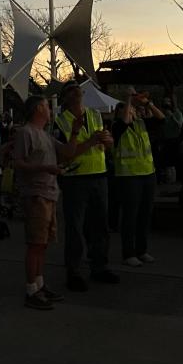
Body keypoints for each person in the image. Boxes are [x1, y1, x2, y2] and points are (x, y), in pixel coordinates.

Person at [12, 96, 83, 310]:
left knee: (42, 243)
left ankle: (40, 284)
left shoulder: (45, 135)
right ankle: (31, 289)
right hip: (35, 195)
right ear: (37, 109)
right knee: (35, 244)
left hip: (50, 193)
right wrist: (45, 169)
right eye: (46, 105)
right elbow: (18, 163)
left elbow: (68, 153)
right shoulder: (26, 133)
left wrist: (76, 131)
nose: (50, 109)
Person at [54, 83, 117, 292]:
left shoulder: (95, 115)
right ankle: (74, 271)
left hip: (98, 175)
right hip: (76, 178)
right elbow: (65, 154)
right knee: (76, 228)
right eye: (71, 90)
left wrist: (107, 141)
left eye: (78, 90)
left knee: (100, 225)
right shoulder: (61, 121)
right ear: (65, 98)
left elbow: (106, 141)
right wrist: (91, 141)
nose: (77, 93)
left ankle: (99, 266)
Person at [112, 90, 164, 267]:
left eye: (132, 110)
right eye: (126, 110)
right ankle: (129, 253)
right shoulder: (117, 128)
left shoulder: (142, 124)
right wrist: (128, 99)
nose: (131, 112)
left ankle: (142, 250)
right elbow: (124, 120)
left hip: (148, 174)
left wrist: (147, 103)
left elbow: (161, 118)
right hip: (129, 177)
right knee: (130, 216)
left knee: (144, 215)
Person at [159, 93, 183, 184]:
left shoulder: (177, 113)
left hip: (175, 140)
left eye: (168, 102)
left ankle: (174, 181)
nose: (167, 104)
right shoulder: (162, 114)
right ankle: (169, 181)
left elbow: (179, 126)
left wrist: (172, 116)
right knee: (167, 163)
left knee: (174, 162)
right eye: (165, 102)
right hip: (166, 140)